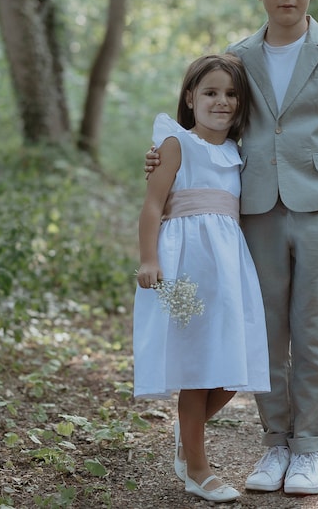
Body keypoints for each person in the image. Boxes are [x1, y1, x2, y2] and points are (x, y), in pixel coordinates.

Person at [145, 0, 318, 496]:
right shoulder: (240, 57)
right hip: (252, 214)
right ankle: (275, 443)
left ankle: (307, 451)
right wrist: (164, 153)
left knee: (314, 328)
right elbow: (211, 119)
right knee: (265, 332)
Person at [133, 53, 270, 503]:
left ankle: (185, 432)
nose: (222, 101)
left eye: (231, 94)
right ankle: (197, 468)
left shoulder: (236, 152)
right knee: (197, 370)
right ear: (190, 98)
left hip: (227, 272)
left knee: (233, 368)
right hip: (184, 270)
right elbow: (153, 205)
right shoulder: (175, 144)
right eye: (211, 92)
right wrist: (149, 259)